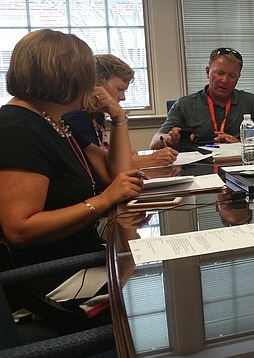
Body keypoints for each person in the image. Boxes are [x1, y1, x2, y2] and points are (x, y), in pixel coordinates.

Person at [0, 29, 145, 331]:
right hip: (50, 276)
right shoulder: (17, 128)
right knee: (162, 281)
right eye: (86, 75)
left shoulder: (55, 121)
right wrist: (104, 201)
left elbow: (113, 175)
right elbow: (20, 229)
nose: (91, 84)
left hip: (82, 256)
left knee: (166, 262)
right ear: (65, 77)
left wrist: (118, 117)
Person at [63, 53, 178, 168]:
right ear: (97, 84)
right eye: (120, 89)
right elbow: (106, 169)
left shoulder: (96, 115)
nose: (123, 97)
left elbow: (105, 155)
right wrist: (151, 159)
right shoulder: (75, 118)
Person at [150, 47, 254, 149]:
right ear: (207, 72)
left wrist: (242, 145)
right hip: (198, 166)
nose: (224, 80)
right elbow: (154, 143)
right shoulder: (184, 105)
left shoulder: (249, 101)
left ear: (238, 77)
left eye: (232, 76)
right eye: (219, 73)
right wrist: (169, 139)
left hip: (237, 164)